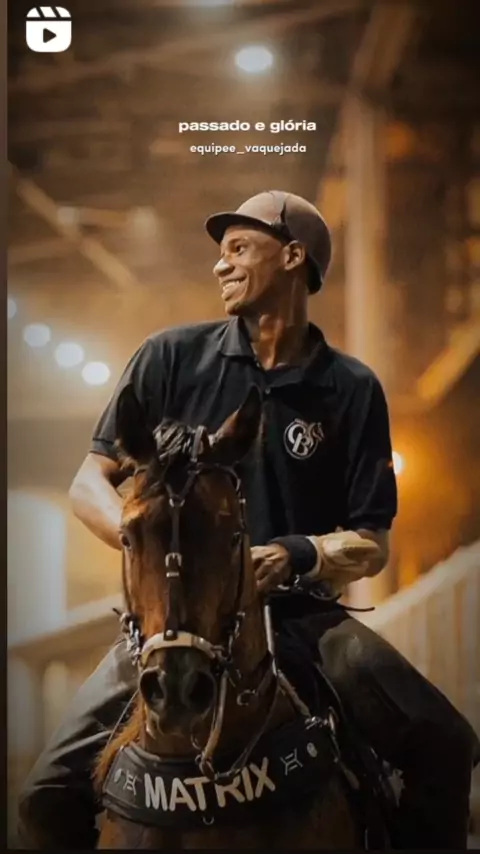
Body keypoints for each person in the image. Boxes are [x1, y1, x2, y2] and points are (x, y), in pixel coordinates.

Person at [18, 190, 478, 849]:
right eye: (220, 252)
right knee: (43, 796)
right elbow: (89, 481)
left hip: (303, 620)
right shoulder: (169, 358)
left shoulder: (351, 389)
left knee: (445, 743)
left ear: (292, 257)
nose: (220, 265)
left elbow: (372, 540)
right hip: (170, 623)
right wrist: (146, 538)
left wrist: (295, 554)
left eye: (238, 248)